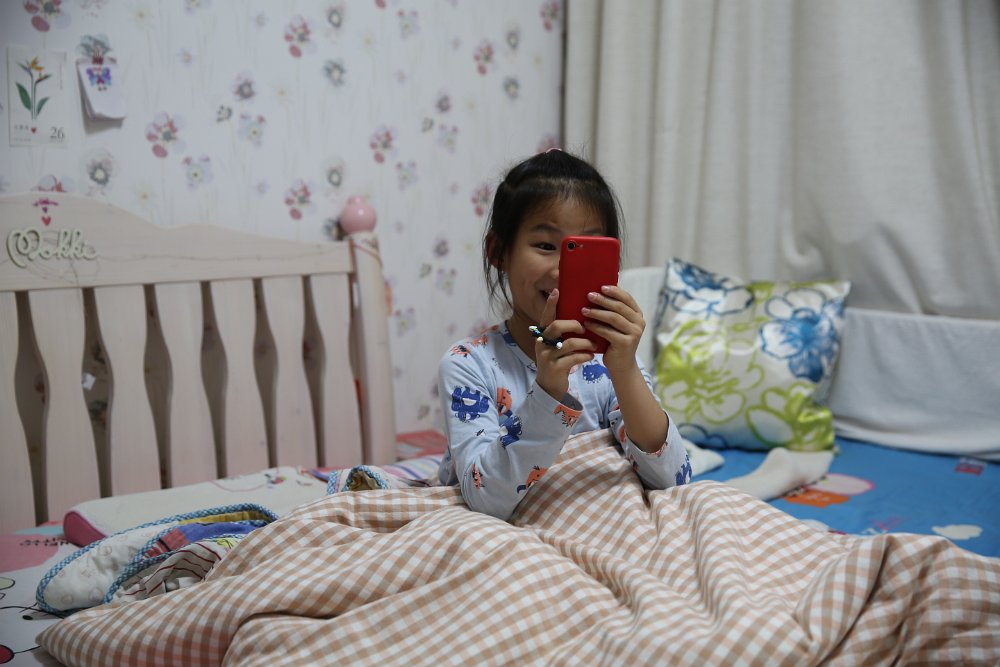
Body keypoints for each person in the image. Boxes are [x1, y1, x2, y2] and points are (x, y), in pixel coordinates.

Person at [437, 149, 691, 520]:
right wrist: (548, 391)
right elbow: (486, 500)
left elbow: (674, 480)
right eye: (545, 246)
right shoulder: (468, 364)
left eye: (583, 252)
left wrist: (625, 371)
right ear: (498, 252)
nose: (562, 271)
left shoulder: (611, 363)